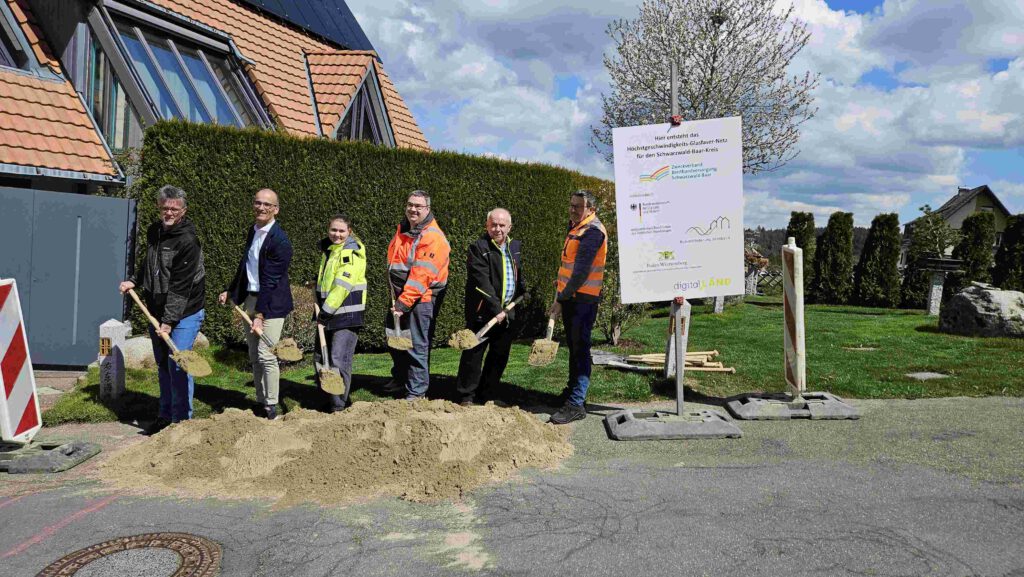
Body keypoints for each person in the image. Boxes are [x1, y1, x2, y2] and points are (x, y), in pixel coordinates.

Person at [119, 185, 206, 434]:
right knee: (163, 365)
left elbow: (181, 286)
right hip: (156, 309)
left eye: (174, 209)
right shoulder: (154, 231)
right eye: (165, 208)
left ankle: (181, 422)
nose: (169, 212)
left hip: (186, 311)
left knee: (179, 362)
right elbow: (148, 262)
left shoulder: (187, 240)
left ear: (183, 211)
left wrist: (168, 321)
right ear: (160, 208)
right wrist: (134, 280)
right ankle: (165, 415)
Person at [219, 188, 293, 420]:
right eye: (258, 203)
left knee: (266, 353)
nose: (261, 208)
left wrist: (260, 314)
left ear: (276, 210)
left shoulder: (280, 241)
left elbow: (271, 281)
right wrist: (231, 292)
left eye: (267, 205)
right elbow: (246, 267)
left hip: (271, 304)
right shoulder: (253, 232)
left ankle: (272, 405)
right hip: (251, 299)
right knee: (253, 354)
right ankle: (260, 401)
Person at [455, 208, 526, 405]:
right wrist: (497, 309)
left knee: (499, 356)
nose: (497, 229)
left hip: (507, 312)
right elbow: (481, 282)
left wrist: (523, 290)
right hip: (483, 311)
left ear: (509, 227)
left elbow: (516, 273)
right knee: (473, 354)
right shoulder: (478, 248)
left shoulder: (515, 247)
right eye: (493, 224)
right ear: (487, 226)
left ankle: (487, 395)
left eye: (502, 225)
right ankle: (466, 396)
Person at [548, 190, 608, 425]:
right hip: (573, 297)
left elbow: (582, 271)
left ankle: (576, 403)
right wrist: (562, 289)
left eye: (578, 207)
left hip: (583, 301)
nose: (573, 210)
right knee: (574, 348)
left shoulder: (592, 231)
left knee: (580, 349)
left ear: (591, 209)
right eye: (571, 205)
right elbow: (570, 264)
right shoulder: (576, 227)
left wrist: (561, 299)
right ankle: (573, 393)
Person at [385, 190, 450, 400]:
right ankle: (401, 379)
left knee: (416, 345)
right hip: (399, 295)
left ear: (427, 209)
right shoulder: (404, 230)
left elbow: (422, 275)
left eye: (418, 206)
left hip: (419, 298)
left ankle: (417, 392)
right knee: (396, 341)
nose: (413, 209)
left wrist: (403, 302)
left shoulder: (432, 236)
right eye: (410, 204)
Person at [314, 214, 367, 412]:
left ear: (349, 232)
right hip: (328, 312)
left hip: (344, 313)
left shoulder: (350, 252)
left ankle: (338, 405)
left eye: (341, 231)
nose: (337, 234)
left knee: (338, 359)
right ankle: (326, 398)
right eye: (333, 230)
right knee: (320, 358)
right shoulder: (331, 250)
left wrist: (326, 311)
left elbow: (343, 285)